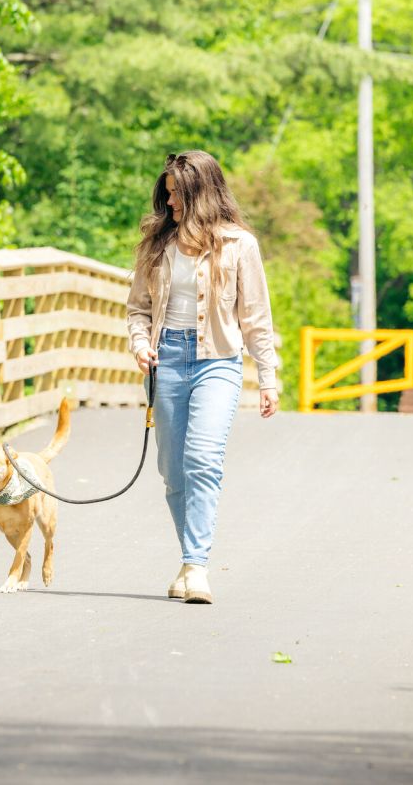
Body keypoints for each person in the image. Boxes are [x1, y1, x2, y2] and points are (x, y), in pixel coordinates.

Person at [126, 150, 279, 605]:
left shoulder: (239, 245)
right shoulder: (157, 243)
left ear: (199, 194)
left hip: (218, 361)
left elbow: (255, 317)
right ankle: (188, 560)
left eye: (176, 194)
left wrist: (268, 377)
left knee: (203, 460)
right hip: (166, 359)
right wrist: (139, 342)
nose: (169, 202)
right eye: (167, 193)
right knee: (172, 471)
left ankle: (197, 566)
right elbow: (137, 308)